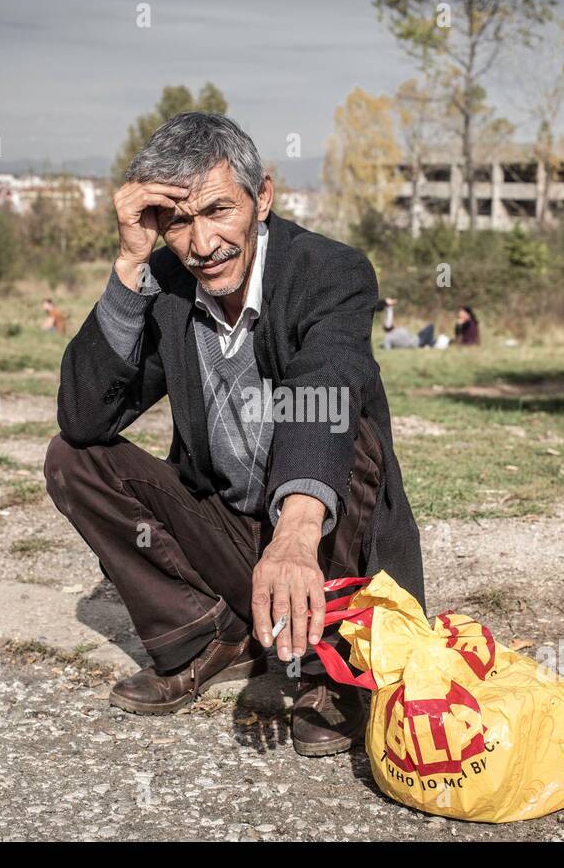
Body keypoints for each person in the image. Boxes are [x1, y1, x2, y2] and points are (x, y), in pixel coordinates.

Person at [44, 112, 425, 757]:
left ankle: (335, 657)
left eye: (219, 210)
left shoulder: (328, 271)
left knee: (348, 423)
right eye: (179, 221)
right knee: (74, 458)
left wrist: (297, 535)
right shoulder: (165, 283)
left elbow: (323, 387)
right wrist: (130, 263)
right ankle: (208, 633)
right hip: (231, 529)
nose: (202, 243)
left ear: (263, 197)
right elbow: (85, 416)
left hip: (321, 536)